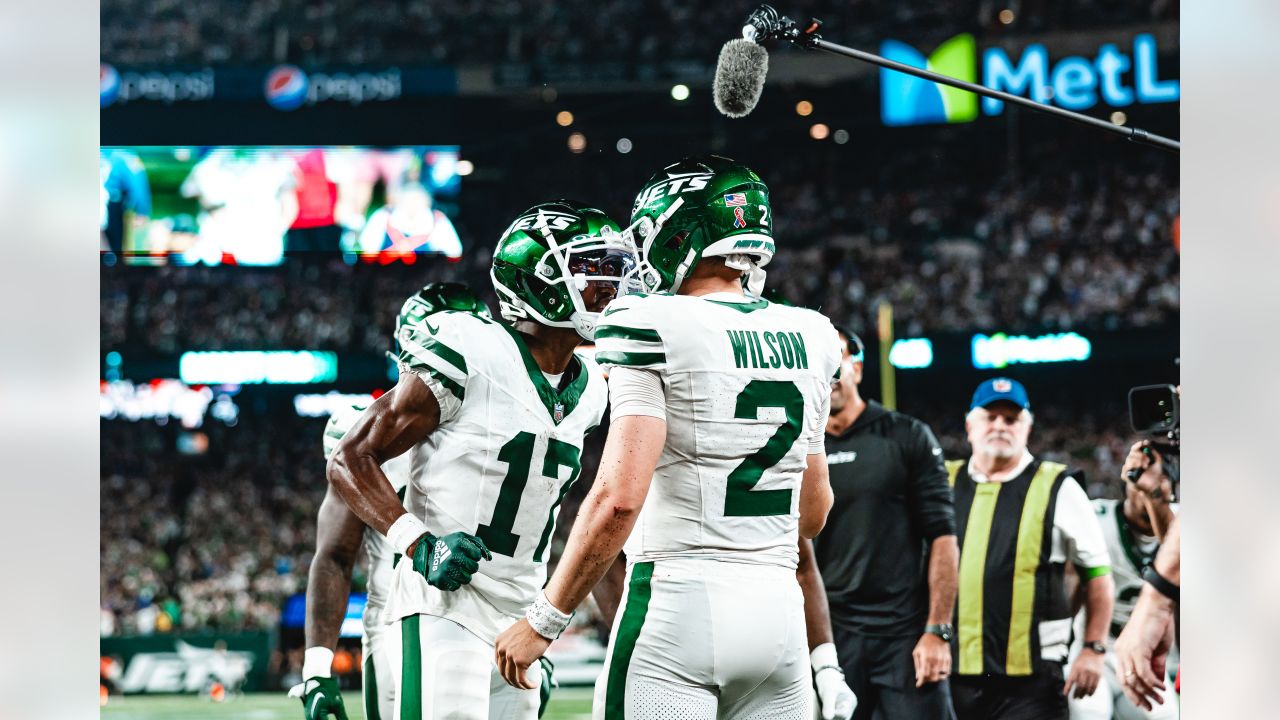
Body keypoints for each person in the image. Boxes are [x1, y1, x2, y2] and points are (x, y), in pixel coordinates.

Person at [494, 155, 842, 719]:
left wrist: (546, 620)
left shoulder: (648, 322)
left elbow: (617, 499)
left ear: (675, 233)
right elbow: (814, 512)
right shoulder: (815, 333)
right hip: (779, 616)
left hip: (678, 609)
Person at [326, 201, 634, 720]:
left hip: (523, 609)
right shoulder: (470, 347)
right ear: (542, 281)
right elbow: (349, 458)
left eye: (614, 270)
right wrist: (418, 544)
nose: (610, 287)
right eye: (593, 270)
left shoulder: (592, 390)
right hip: (443, 604)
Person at [289, 283, 491, 720]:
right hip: (398, 624)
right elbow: (335, 556)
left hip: (494, 615)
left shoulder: (508, 420)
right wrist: (317, 668)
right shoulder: (360, 431)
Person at [801, 326, 959, 720]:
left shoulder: (906, 436)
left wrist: (938, 630)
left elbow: (943, 537)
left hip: (904, 635)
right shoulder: (797, 448)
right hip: (830, 637)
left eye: (836, 359)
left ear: (857, 364)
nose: (829, 373)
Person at [946, 378, 1115, 720]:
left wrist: (1093, 648)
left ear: (1027, 428)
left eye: (1011, 419)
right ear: (969, 425)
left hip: (1032, 680)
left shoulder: (1058, 485)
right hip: (953, 671)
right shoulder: (944, 481)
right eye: (990, 417)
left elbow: (1098, 574)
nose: (1000, 426)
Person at [1068, 440, 1179, 720]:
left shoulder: (1177, 529)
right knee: (1088, 714)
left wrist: (1158, 503)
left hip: (1147, 651)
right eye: (1137, 479)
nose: (1143, 491)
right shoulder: (1095, 517)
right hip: (1096, 647)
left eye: (1156, 481)